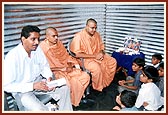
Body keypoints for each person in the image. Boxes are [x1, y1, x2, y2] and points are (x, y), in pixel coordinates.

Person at [4, 25, 73, 111]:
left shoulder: (37, 50)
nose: (37, 42)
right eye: (33, 39)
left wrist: (48, 78)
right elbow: (6, 86)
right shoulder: (13, 57)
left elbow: (44, 66)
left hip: (39, 84)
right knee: (39, 109)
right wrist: (32, 86)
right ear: (23, 39)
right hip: (23, 91)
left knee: (64, 89)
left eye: (38, 39)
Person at [39, 27, 90, 107]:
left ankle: (76, 98)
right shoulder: (42, 48)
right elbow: (44, 68)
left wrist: (69, 65)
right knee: (72, 82)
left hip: (66, 68)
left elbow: (66, 56)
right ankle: (72, 103)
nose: (56, 38)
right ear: (47, 37)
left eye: (57, 36)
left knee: (85, 76)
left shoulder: (58, 43)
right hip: (55, 72)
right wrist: (62, 68)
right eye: (54, 36)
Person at [70, 18, 117, 91]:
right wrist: (95, 56)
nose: (94, 30)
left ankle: (105, 83)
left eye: (95, 28)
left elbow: (101, 46)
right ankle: (97, 87)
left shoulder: (96, 34)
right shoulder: (79, 37)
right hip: (85, 59)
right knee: (96, 68)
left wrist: (101, 53)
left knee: (113, 61)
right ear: (86, 26)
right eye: (92, 28)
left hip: (97, 55)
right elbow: (76, 54)